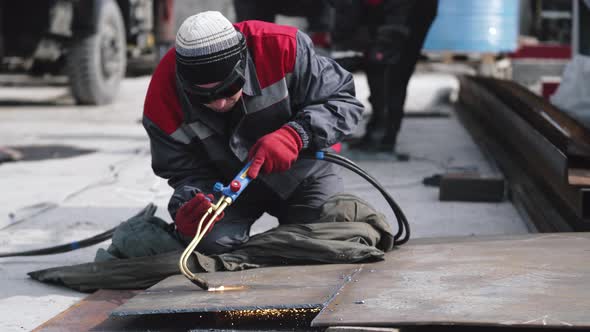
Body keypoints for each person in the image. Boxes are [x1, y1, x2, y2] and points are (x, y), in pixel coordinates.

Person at [142, 11, 364, 255]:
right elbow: (182, 172)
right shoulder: (162, 96)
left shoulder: (283, 46)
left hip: (302, 172)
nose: (219, 103)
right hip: (223, 185)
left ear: (243, 64)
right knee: (208, 244)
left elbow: (342, 101)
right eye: (203, 97)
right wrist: (189, 207)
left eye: (228, 89)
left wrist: (297, 134)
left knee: (330, 230)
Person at [331, 0, 438, 153]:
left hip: (410, 10)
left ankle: (382, 137)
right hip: (383, 9)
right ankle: (377, 130)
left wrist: (382, 42)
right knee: (376, 59)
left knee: (388, 63)